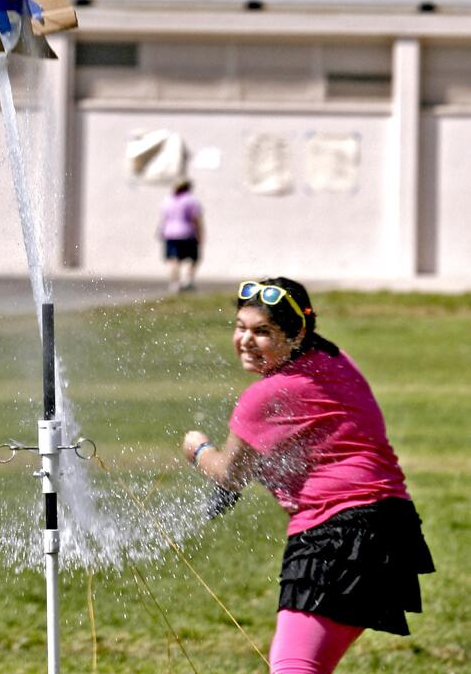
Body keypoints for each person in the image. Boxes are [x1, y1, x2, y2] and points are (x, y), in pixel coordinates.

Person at [183, 277, 434, 674]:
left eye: (262, 331)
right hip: (391, 526)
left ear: (297, 333)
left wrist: (197, 449)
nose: (246, 340)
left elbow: (230, 474)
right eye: (240, 326)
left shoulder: (264, 396)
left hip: (338, 536)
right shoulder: (333, 357)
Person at [158, 179, 203, 293]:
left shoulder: (168, 200)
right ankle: (187, 280)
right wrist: (200, 233)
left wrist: (161, 230)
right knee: (192, 258)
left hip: (170, 233)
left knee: (173, 259)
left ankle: (174, 283)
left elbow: (165, 217)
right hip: (187, 233)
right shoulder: (191, 200)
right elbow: (195, 218)